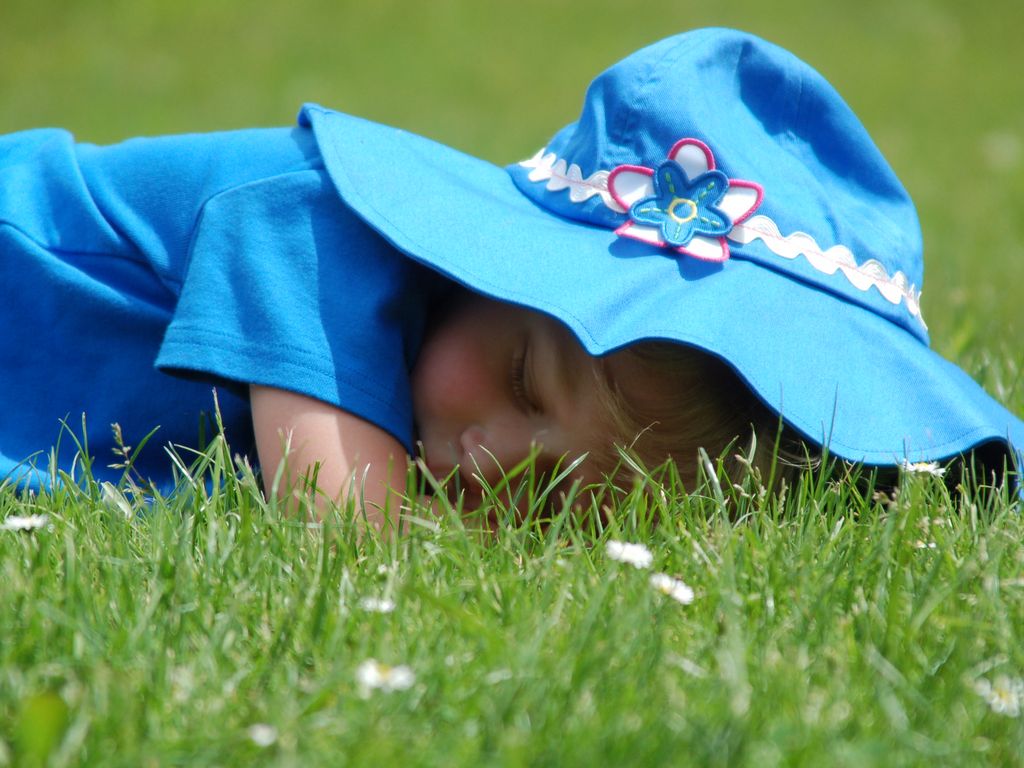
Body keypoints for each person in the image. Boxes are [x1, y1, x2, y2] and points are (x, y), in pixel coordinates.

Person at [2, 28, 1022, 526]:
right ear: (494, 269)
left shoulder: (444, 371)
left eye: (551, 501)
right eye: (528, 382)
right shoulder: (314, 219)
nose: (490, 460)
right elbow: (345, 562)